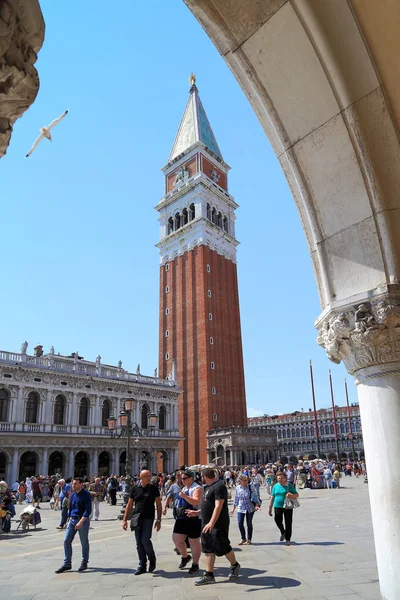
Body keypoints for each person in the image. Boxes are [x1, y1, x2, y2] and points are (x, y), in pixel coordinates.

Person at [187, 467, 240, 585]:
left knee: (223, 546)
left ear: (205, 476)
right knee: (208, 548)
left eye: (202, 476)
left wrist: (212, 522)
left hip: (218, 523)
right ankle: (209, 575)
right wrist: (197, 512)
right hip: (206, 523)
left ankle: (235, 565)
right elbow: (208, 506)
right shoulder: (208, 488)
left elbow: (218, 506)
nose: (201, 479)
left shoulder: (219, 486)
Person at [122, 470, 162, 575]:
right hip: (137, 517)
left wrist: (159, 520)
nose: (149, 478)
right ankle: (142, 565)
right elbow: (129, 505)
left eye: (150, 476)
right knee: (138, 543)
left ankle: (152, 558)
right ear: (141, 477)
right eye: (147, 476)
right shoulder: (134, 489)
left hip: (149, 517)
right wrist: (125, 519)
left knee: (145, 540)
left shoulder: (153, 488)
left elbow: (158, 504)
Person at [55, 477, 92, 573]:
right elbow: (70, 508)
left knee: (84, 542)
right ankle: (67, 563)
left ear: (81, 484)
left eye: (75, 483)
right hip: (72, 520)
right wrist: (68, 518)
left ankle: (84, 562)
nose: (73, 485)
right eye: (73, 483)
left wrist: (81, 521)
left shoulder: (86, 494)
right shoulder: (72, 495)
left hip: (82, 520)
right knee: (66, 540)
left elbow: (88, 510)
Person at [172, 470, 203, 573]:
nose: (182, 480)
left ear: (191, 478)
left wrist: (184, 496)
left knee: (193, 541)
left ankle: (195, 564)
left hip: (193, 517)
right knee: (177, 539)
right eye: (182, 478)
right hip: (182, 517)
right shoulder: (185, 487)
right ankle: (185, 557)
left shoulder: (196, 488)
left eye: (184, 478)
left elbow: (196, 501)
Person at [229, 473, 261, 545]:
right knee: (240, 523)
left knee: (249, 523)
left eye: (246, 480)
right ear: (240, 481)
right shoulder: (237, 488)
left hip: (250, 507)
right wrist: (233, 508)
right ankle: (243, 538)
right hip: (241, 507)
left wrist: (257, 505)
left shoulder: (250, 487)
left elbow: (255, 496)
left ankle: (249, 539)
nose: (245, 482)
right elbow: (236, 498)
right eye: (244, 480)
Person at [269, 471, 299, 546]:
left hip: (287, 506)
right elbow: (272, 497)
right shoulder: (275, 486)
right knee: (277, 520)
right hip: (277, 505)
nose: (280, 480)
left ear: (285, 478)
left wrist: (291, 495)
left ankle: (288, 539)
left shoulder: (289, 486)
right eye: (278, 478)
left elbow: (296, 495)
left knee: (288, 522)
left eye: (281, 478)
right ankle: (283, 532)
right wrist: (269, 508)